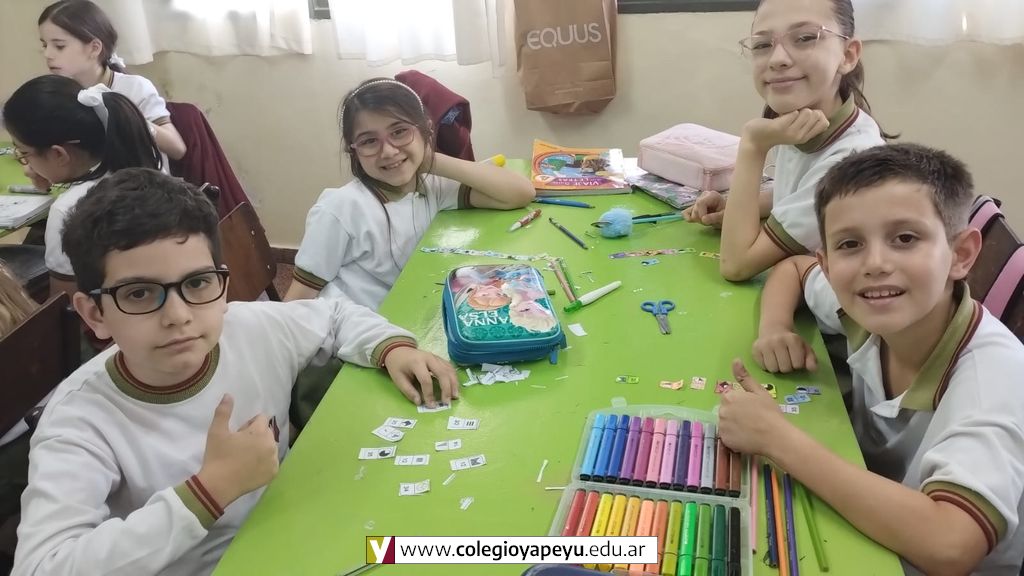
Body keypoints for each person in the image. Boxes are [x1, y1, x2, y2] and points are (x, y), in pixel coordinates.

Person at [719, 143, 1024, 574]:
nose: (875, 264)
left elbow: (952, 546)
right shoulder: (869, 306)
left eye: (905, 238)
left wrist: (777, 439)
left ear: (960, 255)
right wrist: (775, 327)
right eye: (850, 244)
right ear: (829, 264)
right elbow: (795, 269)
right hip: (869, 527)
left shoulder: (993, 377)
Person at [286, 77, 536, 310]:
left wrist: (429, 159)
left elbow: (520, 193)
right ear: (354, 151)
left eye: (399, 132)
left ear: (426, 129)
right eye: (369, 141)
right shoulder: (339, 209)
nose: (388, 151)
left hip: (408, 310)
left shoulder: (430, 185)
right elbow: (295, 304)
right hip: (357, 329)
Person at [684, 0, 888, 281]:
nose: (777, 59)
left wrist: (753, 145)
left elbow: (736, 265)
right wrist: (735, 207)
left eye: (805, 38)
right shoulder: (800, 118)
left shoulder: (850, 162)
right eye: (762, 44)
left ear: (848, 55)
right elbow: (796, 192)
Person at [3, 75, 162, 296]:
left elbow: (66, 305)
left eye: (24, 154)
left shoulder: (69, 211)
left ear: (59, 154)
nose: (25, 164)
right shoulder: (146, 165)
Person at [37, 0, 186, 173]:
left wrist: (128, 119)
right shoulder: (59, 94)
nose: (47, 54)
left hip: (140, 184)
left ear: (94, 48)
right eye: (44, 45)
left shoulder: (135, 88)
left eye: (59, 46)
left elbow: (177, 149)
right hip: (91, 183)